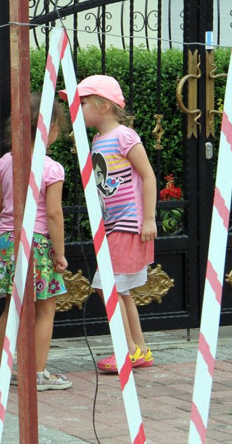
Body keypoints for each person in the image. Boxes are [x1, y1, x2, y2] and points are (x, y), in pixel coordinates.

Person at [62, 75, 157, 373]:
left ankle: (127, 349)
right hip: (114, 223)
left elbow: (148, 176)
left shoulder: (124, 136)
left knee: (106, 286)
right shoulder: (99, 139)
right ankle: (139, 349)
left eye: (83, 103)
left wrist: (149, 218)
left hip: (128, 223)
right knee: (121, 289)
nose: (77, 110)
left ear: (103, 105)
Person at [0, 94, 73, 391]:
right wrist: (59, 254)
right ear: (51, 128)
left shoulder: (5, 161)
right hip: (37, 244)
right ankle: (36, 373)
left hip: (9, 241)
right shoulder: (51, 169)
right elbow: (54, 214)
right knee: (46, 309)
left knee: (12, 308)